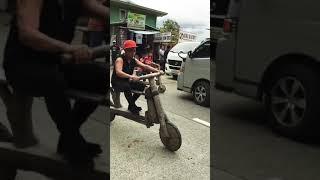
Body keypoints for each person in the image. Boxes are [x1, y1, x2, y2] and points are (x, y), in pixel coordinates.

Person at [3, 0, 108, 168]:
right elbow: (27, 35)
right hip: (22, 65)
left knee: (102, 77)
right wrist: (69, 49)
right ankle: (73, 143)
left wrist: (133, 21)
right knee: (52, 80)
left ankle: (68, 139)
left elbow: (107, 13)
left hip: (53, 61)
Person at [111, 40, 159, 114]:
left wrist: (157, 71)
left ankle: (131, 104)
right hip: (117, 81)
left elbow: (145, 66)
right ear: (125, 51)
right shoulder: (120, 59)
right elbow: (118, 72)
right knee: (127, 87)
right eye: (130, 50)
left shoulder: (134, 60)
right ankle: (132, 106)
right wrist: (131, 76)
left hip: (126, 80)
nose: (133, 52)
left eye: (134, 50)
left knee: (142, 86)